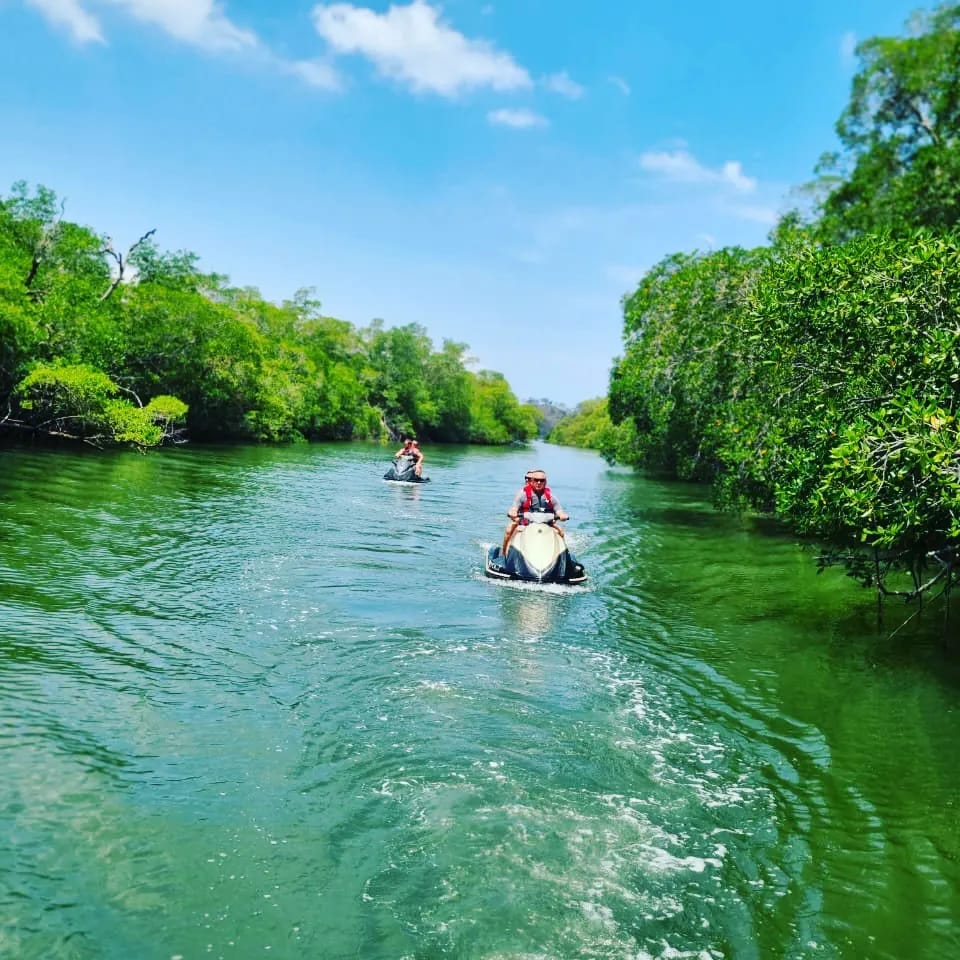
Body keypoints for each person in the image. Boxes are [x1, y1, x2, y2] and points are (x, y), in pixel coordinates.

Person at [502, 469, 569, 556]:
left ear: (545, 482)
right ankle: (504, 554)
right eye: (536, 480)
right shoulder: (522, 495)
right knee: (509, 530)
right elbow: (514, 508)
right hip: (524, 525)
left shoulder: (551, 497)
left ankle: (565, 557)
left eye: (541, 480)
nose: (539, 483)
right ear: (531, 482)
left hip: (546, 526)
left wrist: (562, 515)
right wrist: (513, 512)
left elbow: (559, 510)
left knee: (560, 531)